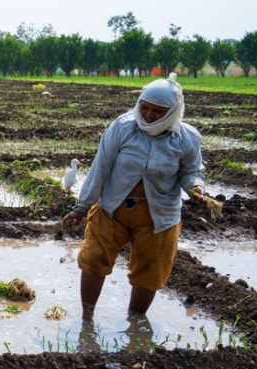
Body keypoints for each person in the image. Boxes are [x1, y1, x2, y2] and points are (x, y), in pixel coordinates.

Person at [62, 73, 206, 321]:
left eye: (158, 111)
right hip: (112, 209)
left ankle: (135, 322)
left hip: (158, 215)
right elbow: (101, 167)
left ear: (173, 112)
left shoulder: (186, 138)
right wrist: (82, 206)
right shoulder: (123, 127)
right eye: (144, 107)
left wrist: (195, 186)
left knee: (150, 270)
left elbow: (190, 171)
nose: (149, 115)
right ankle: (87, 317)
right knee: (94, 259)